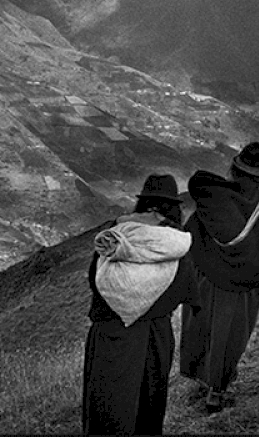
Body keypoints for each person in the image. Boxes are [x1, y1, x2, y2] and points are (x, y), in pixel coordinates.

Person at [180, 143, 259, 412]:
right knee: (229, 337)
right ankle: (217, 392)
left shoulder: (214, 197)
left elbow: (191, 232)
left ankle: (201, 381)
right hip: (241, 288)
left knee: (202, 330)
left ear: (234, 169)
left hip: (206, 280)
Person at [82, 174, 201, 436]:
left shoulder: (115, 235)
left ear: (143, 203)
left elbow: (95, 279)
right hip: (155, 335)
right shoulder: (176, 243)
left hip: (110, 333)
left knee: (107, 406)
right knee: (148, 405)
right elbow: (184, 288)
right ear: (171, 207)